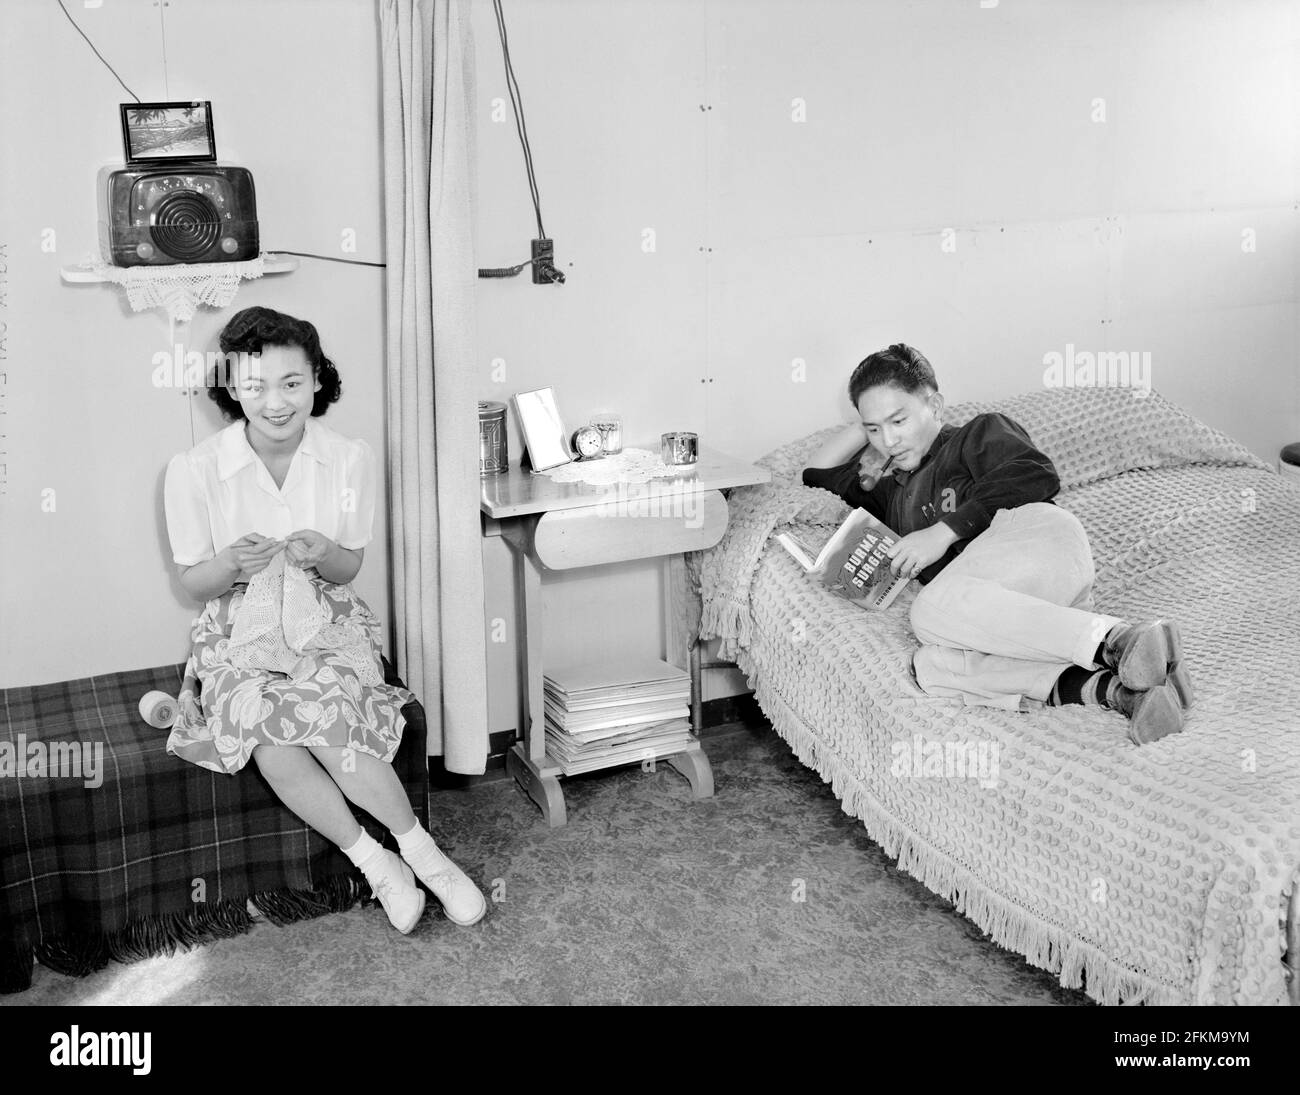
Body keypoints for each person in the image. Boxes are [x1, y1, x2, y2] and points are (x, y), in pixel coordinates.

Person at [163, 306, 486, 932]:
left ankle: (426, 856)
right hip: (237, 627)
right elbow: (192, 583)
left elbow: (348, 568)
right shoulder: (195, 470)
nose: (275, 402)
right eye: (254, 386)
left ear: (317, 380)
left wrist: (324, 554)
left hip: (321, 613)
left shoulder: (349, 458)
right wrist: (231, 562)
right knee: (268, 735)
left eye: (291, 382)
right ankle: (377, 865)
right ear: (232, 387)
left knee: (329, 719)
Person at [801, 343, 1194, 745]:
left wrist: (942, 533)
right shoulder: (892, 491)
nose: (889, 440)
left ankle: (1119, 639)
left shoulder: (977, 435)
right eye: (874, 430)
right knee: (932, 665)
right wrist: (866, 412)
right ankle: (1118, 690)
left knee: (930, 611)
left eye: (899, 420)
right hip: (1014, 613)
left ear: (935, 407)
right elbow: (816, 473)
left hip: (1040, 541)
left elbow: (1034, 474)